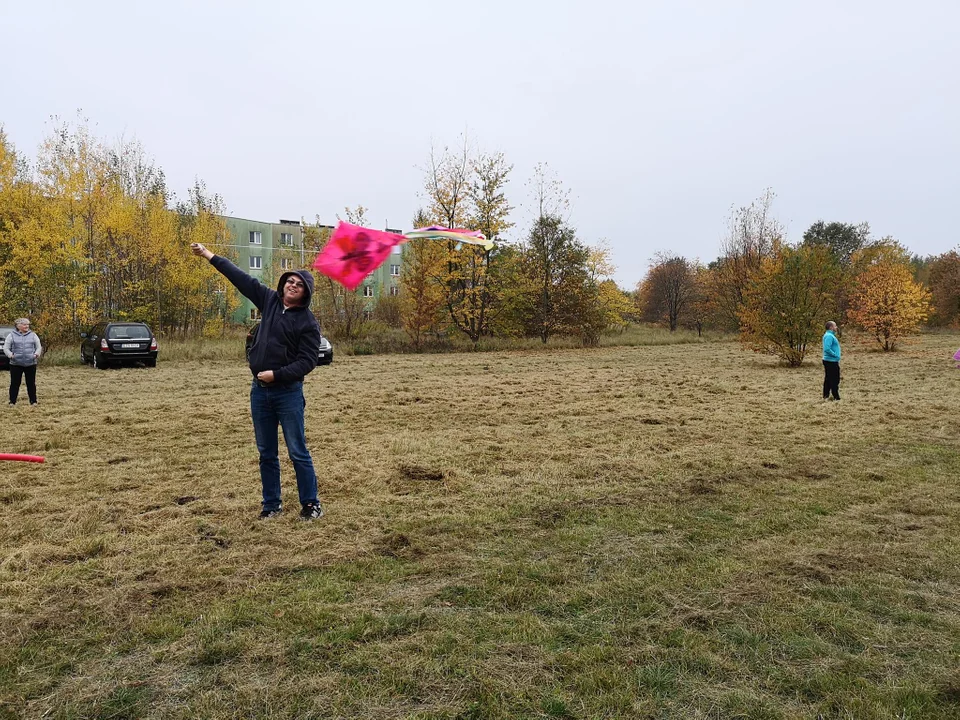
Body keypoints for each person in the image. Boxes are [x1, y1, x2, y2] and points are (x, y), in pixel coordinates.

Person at [191, 242, 325, 520]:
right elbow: (241, 278)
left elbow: (307, 362)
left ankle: (311, 504)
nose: (291, 285)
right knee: (266, 453)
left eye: (298, 284)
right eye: (289, 281)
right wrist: (209, 255)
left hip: (287, 393)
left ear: (305, 293)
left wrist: (277, 374)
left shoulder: (308, 323)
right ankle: (271, 505)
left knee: (297, 451)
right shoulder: (269, 300)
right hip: (260, 393)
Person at [5, 318, 42, 406]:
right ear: (18, 326)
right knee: (15, 383)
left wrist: (36, 354)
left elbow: (38, 347)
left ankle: (33, 401)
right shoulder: (11, 335)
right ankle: (12, 402)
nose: (27, 326)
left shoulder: (33, 335)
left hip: (31, 363)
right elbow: (6, 348)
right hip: (15, 364)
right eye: (25, 324)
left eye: (28, 324)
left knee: (31, 383)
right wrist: (11, 355)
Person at [822, 320, 841, 401]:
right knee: (834, 379)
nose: (836, 327)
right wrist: (835, 355)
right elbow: (827, 348)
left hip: (830, 360)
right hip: (831, 361)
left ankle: (826, 395)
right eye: (835, 326)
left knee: (829, 378)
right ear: (831, 327)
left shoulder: (829, 335)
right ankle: (836, 396)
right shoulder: (829, 336)